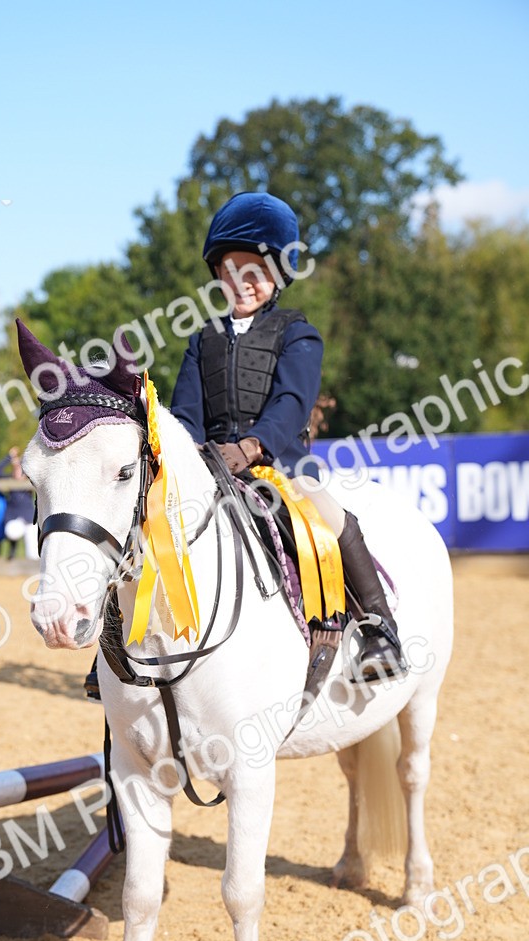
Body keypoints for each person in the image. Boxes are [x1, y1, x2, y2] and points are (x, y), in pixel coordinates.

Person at [170, 191, 406, 681]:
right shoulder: (201, 340)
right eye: (232, 271)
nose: (243, 283)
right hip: (211, 467)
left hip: (281, 466)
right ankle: (115, 646)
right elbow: (185, 412)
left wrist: (251, 447)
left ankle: (379, 629)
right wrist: (189, 452)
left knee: (332, 518)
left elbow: (292, 404)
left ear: (276, 276)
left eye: (254, 272)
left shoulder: (297, 333)